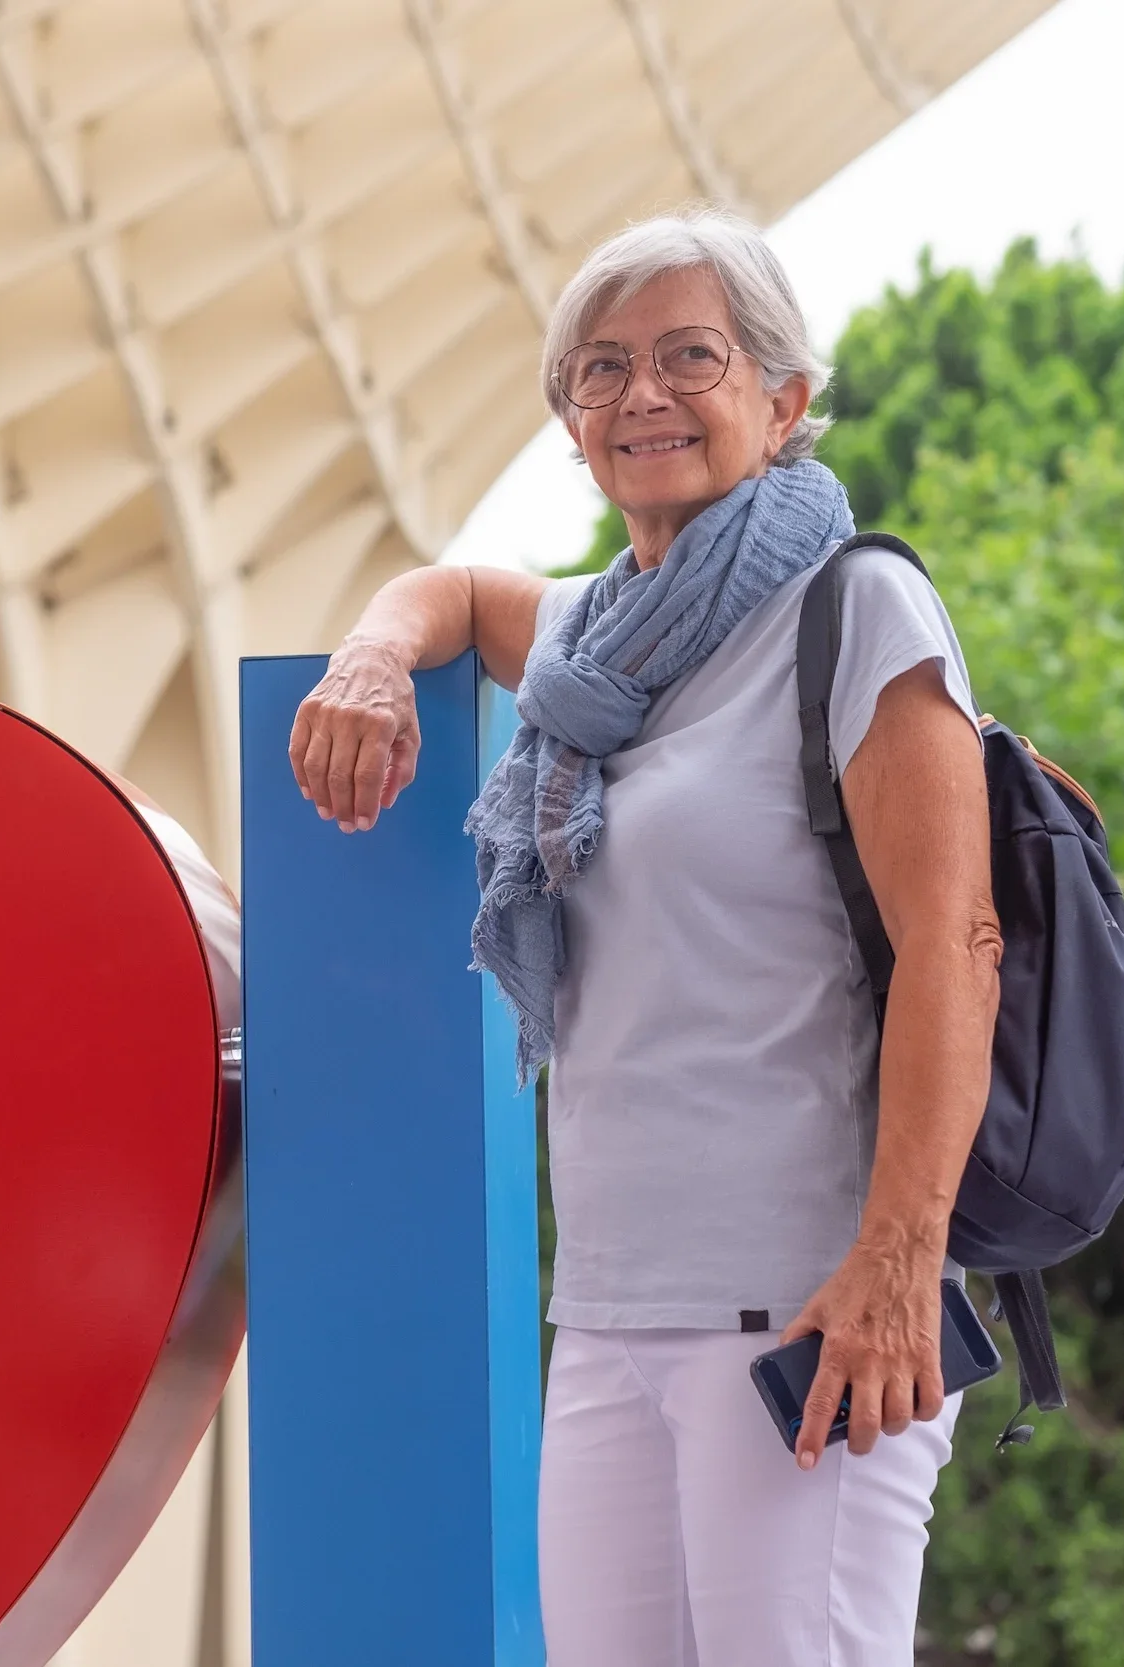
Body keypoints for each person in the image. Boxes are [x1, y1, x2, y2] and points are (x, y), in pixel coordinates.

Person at [288, 208, 1003, 1666]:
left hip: (807, 1311)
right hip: (611, 1321)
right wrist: (370, 656)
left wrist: (898, 1261)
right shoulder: (591, 645)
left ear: (785, 399)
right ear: (570, 424)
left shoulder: (858, 606)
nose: (644, 396)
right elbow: (455, 593)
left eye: (694, 355)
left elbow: (957, 936)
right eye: (601, 370)